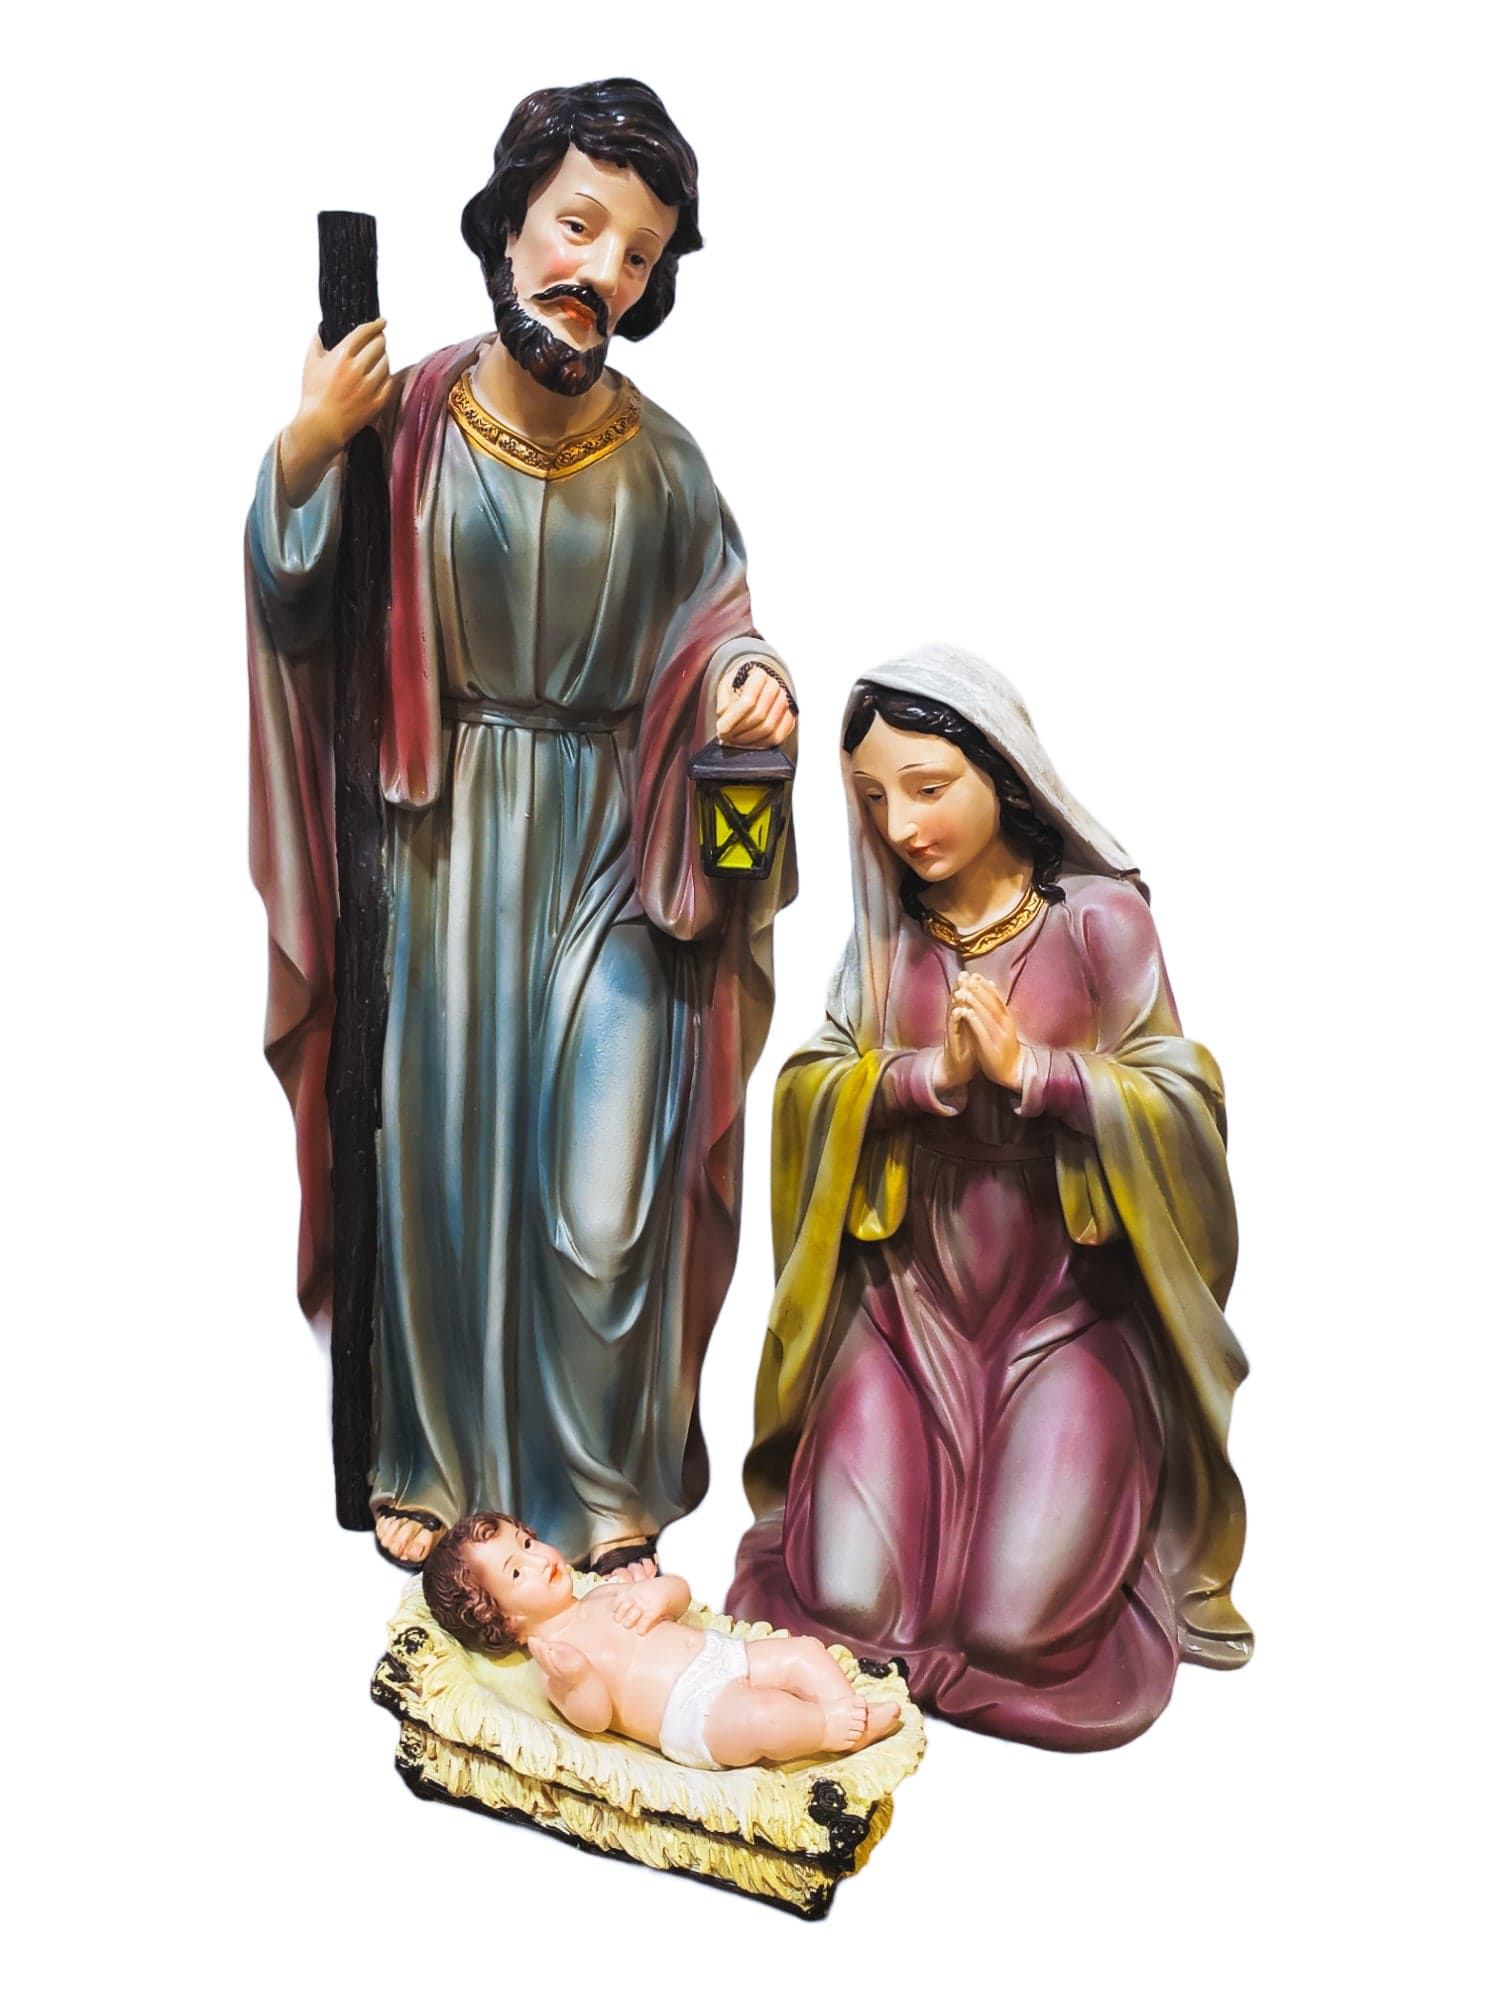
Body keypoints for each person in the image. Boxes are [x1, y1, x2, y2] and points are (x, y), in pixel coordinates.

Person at [247, 79, 796, 1571]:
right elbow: (298, 604)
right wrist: (307, 449)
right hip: (440, 845)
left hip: (619, 851)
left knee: (607, 1197)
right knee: (436, 1166)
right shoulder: (407, 422)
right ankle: (431, 1463)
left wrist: (749, 689)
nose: (600, 272)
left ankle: (604, 1495)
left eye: (637, 254)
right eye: (578, 226)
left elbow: (720, 631)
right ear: (506, 225)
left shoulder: (668, 466)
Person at [727, 644, 1251, 1751]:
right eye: (874, 799)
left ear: (1003, 774)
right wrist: (922, 1078)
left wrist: (1039, 1075)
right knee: (848, 1599)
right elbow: (809, 1085)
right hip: (907, 1307)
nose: (902, 825)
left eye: (927, 787)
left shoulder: (1100, 922)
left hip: (1067, 1311)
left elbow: (1183, 1101)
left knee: (1025, 1627)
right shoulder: (889, 937)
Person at [423, 1514, 901, 1769]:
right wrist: (579, 1677)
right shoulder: (555, 1664)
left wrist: (657, 1593)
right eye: (515, 1572)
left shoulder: (602, 1592)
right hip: (694, 1715)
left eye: (527, 1543)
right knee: (765, 1718)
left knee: (803, 1653)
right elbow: (594, 1719)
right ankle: (827, 1728)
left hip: (721, 1656)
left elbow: (679, 1596)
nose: (538, 1559)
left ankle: (847, 1706)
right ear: (504, 1620)